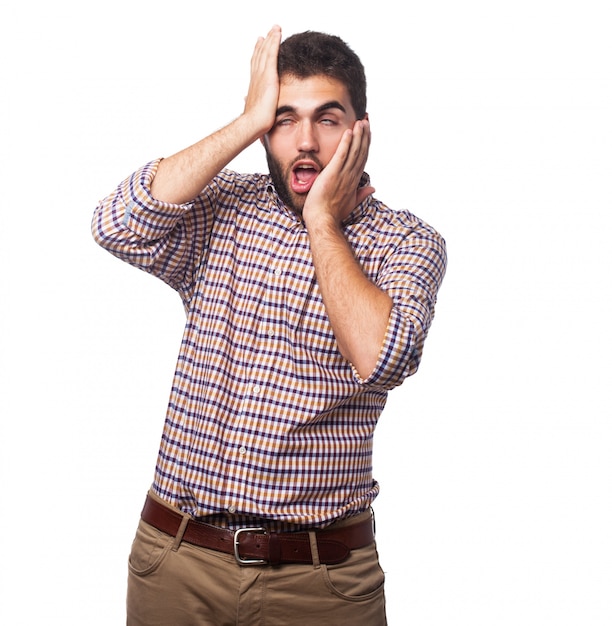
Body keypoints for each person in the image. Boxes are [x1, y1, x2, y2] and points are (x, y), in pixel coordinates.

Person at [92, 25, 446, 626]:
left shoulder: (407, 242)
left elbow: (382, 359)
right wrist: (246, 120)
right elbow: (116, 224)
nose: (305, 141)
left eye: (327, 119)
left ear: (362, 127)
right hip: (178, 561)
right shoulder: (222, 206)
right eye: (284, 120)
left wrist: (323, 222)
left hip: (322, 578)